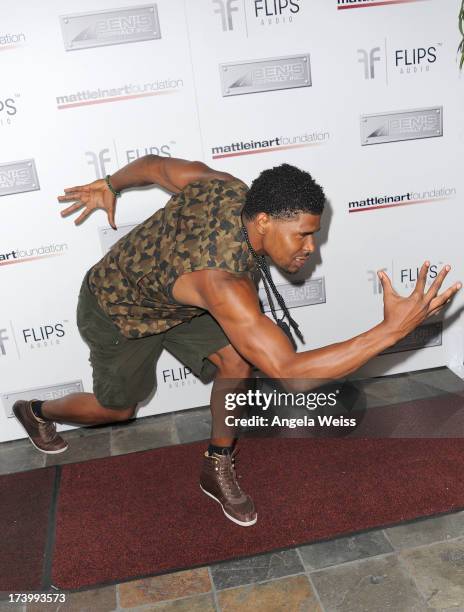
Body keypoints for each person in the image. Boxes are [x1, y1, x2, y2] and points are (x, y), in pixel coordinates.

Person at [13, 155, 461, 527]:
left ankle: (216, 463)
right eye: (302, 234)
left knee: (237, 364)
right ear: (263, 221)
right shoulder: (225, 284)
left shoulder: (228, 187)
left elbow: (153, 166)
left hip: (181, 300)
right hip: (119, 308)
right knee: (118, 408)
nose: (311, 248)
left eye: (315, 234)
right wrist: (392, 331)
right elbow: (290, 374)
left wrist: (112, 183)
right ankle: (35, 411)